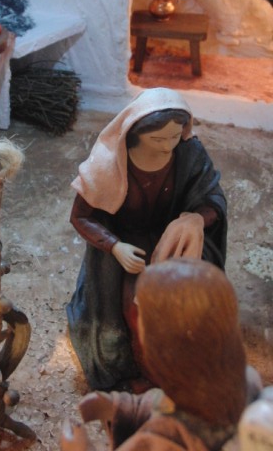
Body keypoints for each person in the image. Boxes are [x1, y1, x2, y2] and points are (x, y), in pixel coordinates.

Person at [66, 88, 227, 392]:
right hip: (127, 248)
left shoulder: (189, 153)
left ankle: (179, 366)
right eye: (157, 139)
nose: (168, 146)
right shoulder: (109, 162)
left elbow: (213, 199)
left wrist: (195, 219)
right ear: (136, 133)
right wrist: (114, 246)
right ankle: (145, 372)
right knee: (136, 310)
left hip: (174, 242)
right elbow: (80, 217)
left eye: (174, 136)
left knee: (190, 304)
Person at [75, 259, 263, 451]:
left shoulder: (158, 443)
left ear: (166, 354)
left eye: (144, 321)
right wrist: (122, 407)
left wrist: (81, 447)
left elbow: (166, 412)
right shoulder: (247, 380)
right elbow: (165, 404)